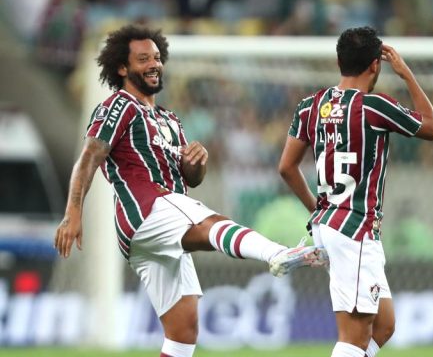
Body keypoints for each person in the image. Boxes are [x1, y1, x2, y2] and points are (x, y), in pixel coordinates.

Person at [53, 24, 323, 357]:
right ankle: (276, 254)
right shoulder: (119, 106)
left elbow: (191, 179)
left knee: (183, 330)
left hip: (157, 230)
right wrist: (73, 213)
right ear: (122, 68)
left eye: (156, 57)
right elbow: (90, 157)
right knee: (210, 223)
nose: (154, 64)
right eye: (143, 59)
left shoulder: (170, 119)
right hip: (146, 209)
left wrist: (197, 162)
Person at [278, 26, 433, 357]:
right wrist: (407, 73)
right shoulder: (374, 106)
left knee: (383, 326)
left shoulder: (311, 106)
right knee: (353, 336)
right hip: (355, 228)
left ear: (340, 61)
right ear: (375, 65)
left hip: (333, 225)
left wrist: (318, 212)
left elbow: (286, 167)